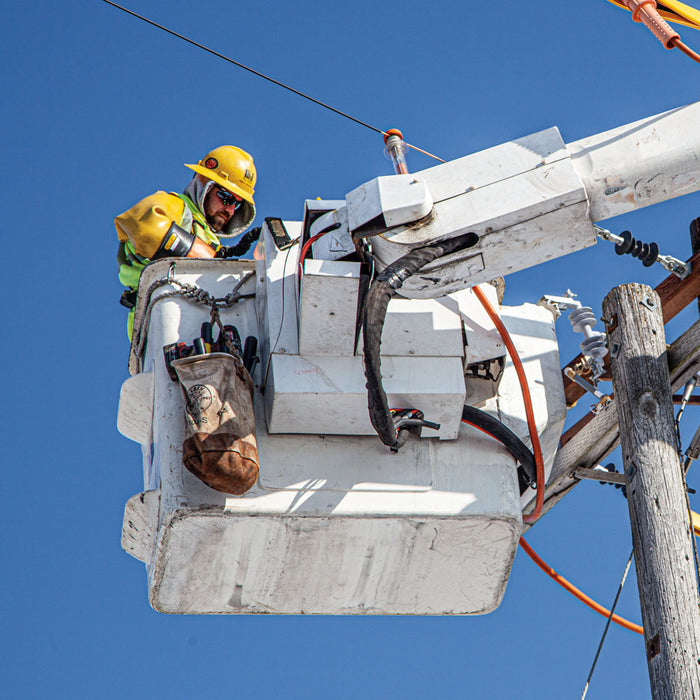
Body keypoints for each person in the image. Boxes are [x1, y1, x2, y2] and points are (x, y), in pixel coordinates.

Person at [115, 145, 258, 338]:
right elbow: (146, 227)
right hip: (162, 322)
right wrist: (206, 255)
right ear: (203, 185)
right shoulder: (178, 207)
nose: (230, 210)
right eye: (225, 197)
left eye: (237, 204)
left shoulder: (210, 240)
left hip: (201, 328)